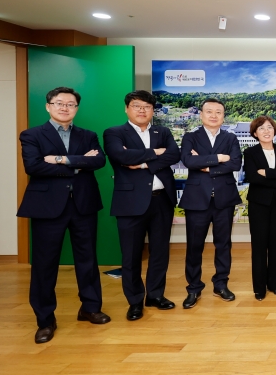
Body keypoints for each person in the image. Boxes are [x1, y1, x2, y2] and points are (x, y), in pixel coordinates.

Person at [17, 87, 110, 343]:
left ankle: (90, 308)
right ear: (48, 106)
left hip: (83, 204)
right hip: (47, 207)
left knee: (87, 260)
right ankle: (45, 320)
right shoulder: (32, 134)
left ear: (77, 108)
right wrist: (79, 163)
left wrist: (59, 159)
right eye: (59, 103)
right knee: (44, 265)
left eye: (71, 104)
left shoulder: (88, 135)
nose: (65, 108)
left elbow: (98, 162)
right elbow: (33, 166)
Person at [103, 90, 180, 321]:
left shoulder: (162, 131)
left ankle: (155, 295)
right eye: (137, 106)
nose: (142, 110)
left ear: (153, 111)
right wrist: (155, 153)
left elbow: (174, 155)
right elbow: (120, 156)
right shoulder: (115, 132)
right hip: (130, 202)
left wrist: (143, 162)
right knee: (131, 254)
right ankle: (135, 301)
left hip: (162, 200)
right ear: (127, 108)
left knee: (160, 252)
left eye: (147, 107)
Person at [178, 98, 242, 308]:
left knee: (223, 244)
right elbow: (188, 161)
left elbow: (235, 163)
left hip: (224, 198)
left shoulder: (230, 137)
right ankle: (193, 288)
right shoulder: (191, 137)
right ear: (201, 115)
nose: (214, 115)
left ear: (223, 116)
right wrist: (220, 158)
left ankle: (221, 284)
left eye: (218, 112)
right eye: (209, 111)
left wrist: (205, 164)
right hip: (197, 199)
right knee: (194, 245)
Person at [243, 116, 276, 301]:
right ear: (255, 133)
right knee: (259, 245)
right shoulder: (250, 152)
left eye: (269, 127)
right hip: (258, 203)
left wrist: (266, 173)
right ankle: (259, 288)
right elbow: (252, 177)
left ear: (274, 130)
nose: (266, 131)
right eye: (261, 128)